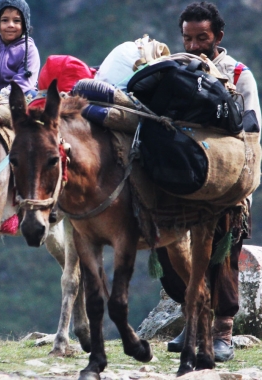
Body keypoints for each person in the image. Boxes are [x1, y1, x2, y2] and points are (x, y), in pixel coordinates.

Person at [157, 1, 261, 363]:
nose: (195, 45)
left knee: (221, 255)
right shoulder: (176, 70)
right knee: (169, 251)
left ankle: (223, 332)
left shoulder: (239, 75)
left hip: (225, 186)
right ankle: (194, 318)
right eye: (188, 38)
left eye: (202, 38)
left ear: (218, 36)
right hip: (184, 182)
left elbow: (251, 131)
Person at [0, 0, 40, 97]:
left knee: (35, 98)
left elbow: (25, 80)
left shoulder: (29, 50)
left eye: (17, 21)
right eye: (5, 20)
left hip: (21, 93)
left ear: (24, 24)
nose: (11, 25)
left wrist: (3, 95)